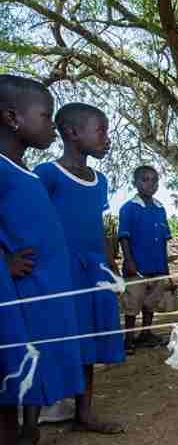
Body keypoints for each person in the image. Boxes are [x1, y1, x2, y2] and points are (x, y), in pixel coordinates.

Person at [0, 74, 84, 444]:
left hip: (44, 289)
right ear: (12, 117)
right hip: (18, 290)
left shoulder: (26, 173)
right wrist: (4, 261)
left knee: (33, 364)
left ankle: (28, 430)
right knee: (11, 368)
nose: (51, 125)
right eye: (46, 116)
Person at [35, 102, 125, 435]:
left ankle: (83, 412)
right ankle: (41, 410)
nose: (107, 138)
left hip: (93, 270)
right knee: (57, 335)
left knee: (87, 340)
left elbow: (98, 225)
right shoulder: (47, 175)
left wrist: (110, 265)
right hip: (60, 271)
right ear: (73, 133)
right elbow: (33, 221)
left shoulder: (99, 180)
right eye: (101, 130)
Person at [118, 165, 174, 354]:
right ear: (135, 183)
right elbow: (124, 236)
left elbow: (165, 239)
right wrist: (129, 260)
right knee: (133, 302)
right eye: (145, 179)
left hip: (156, 265)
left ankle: (146, 333)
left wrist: (166, 267)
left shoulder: (160, 209)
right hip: (137, 266)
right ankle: (129, 339)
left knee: (150, 302)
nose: (150, 184)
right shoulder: (129, 208)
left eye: (154, 180)